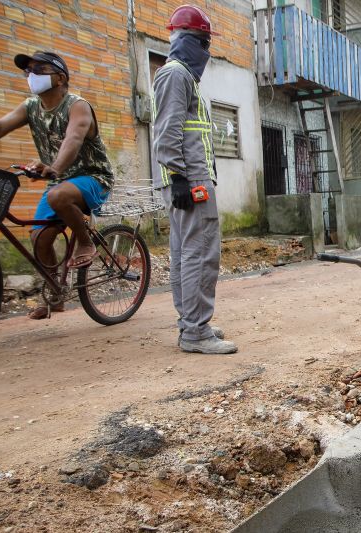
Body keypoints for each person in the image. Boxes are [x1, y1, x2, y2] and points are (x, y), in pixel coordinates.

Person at [0, 50, 114, 320]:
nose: (31, 76)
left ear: (60, 77)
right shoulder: (30, 107)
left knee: (57, 196)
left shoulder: (77, 105)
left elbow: (73, 139)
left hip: (93, 177)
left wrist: (55, 168)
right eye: (28, 71)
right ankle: (55, 294)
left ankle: (85, 243)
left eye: (39, 70)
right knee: (39, 239)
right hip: (59, 180)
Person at [152, 5, 237, 354]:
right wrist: (179, 177)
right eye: (203, 42)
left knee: (186, 253)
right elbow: (167, 130)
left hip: (185, 178)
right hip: (189, 178)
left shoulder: (180, 75)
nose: (206, 51)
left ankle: (192, 323)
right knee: (200, 253)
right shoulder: (176, 75)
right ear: (187, 40)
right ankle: (195, 332)